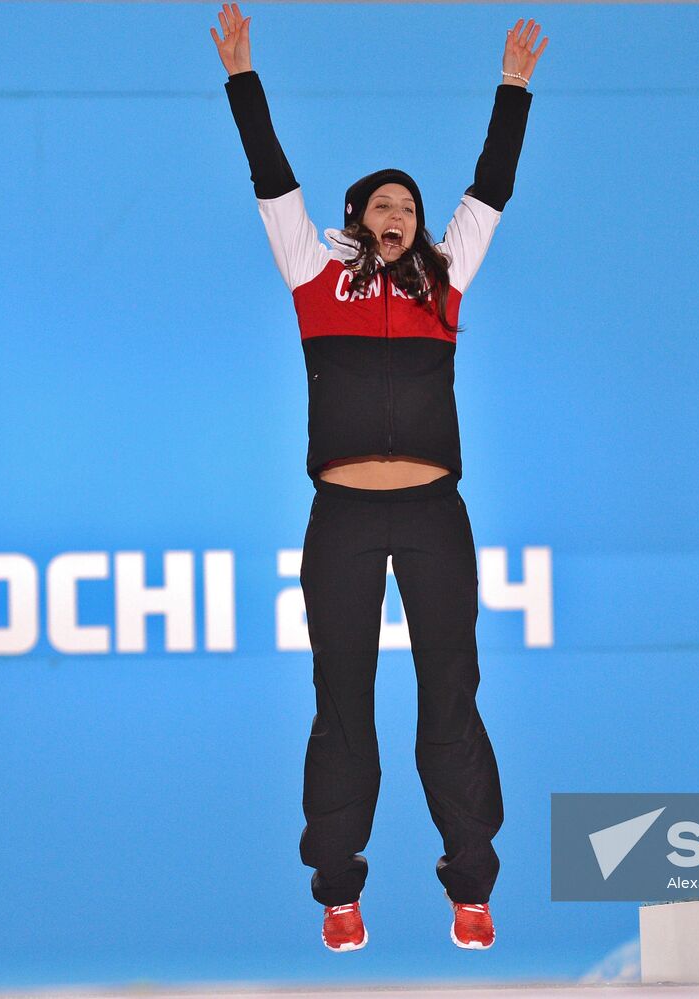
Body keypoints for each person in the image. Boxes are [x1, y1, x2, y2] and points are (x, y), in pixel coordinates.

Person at [211, 3, 546, 952]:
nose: (400, 216)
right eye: (383, 205)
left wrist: (513, 88)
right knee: (342, 700)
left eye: (410, 205)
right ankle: (336, 886)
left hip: (435, 514)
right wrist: (242, 76)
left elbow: (491, 189)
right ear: (356, 218)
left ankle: (472, 883)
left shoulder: (445, 279)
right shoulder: (313, 268)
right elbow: (271, 175)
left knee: (452, 694)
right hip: (344, 516)